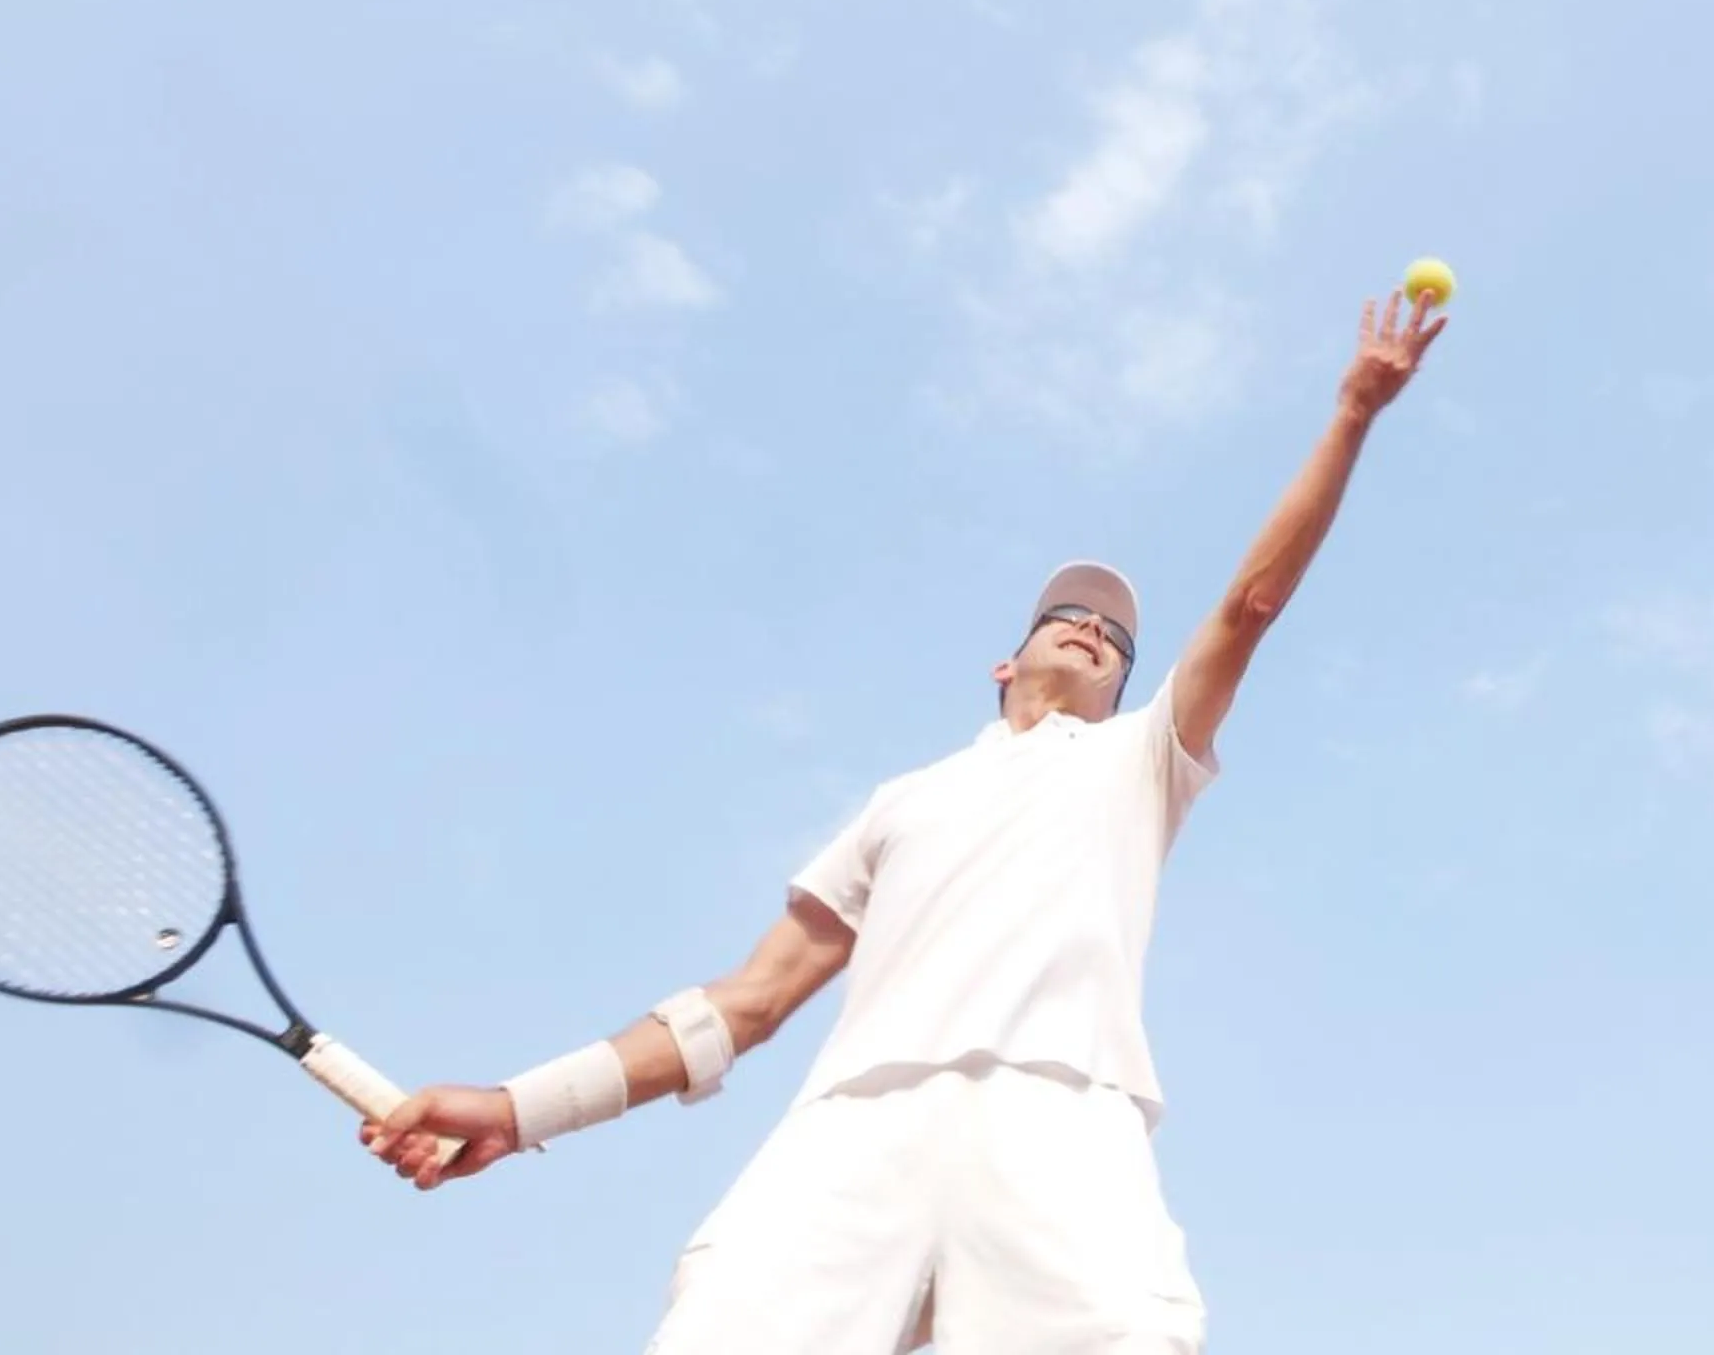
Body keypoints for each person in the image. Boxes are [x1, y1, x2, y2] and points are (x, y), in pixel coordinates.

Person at [361, 289, 1451, 1353]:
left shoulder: (1140, 760)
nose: (1090, 629)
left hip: (1059, 1116)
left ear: (1128, 687)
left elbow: (1250, 604)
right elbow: (747, 1002)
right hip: (853, 1128)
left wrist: (1352, 413)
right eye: (1066, 615)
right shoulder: (902, 802)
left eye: (1115, 638)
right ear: (1004, 662)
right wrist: (520, 1106)